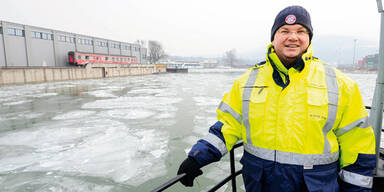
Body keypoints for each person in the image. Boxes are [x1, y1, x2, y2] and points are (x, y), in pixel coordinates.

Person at [177, 5, 376, 192]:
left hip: (315, 185)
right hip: (261, 183)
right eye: (284, 31)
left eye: (300, 31)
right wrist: (197, 158)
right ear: (273, 38)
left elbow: (357, 142)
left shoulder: (340, 84)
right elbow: (229, 125)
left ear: (309, 38)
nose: (293, 37)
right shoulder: (247, 82)